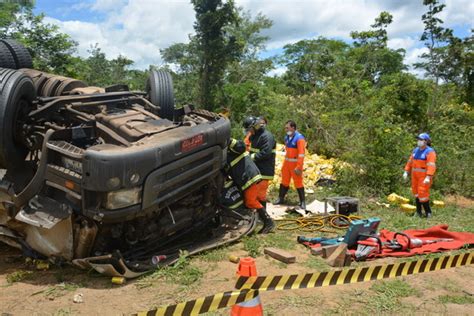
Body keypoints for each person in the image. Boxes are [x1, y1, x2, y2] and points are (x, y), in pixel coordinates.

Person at [227, 138, 275, 234]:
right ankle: (255, 221)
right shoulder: (226, 152)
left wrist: (228, 140)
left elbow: (241, 146)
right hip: (247, 177)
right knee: (250, 201)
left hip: (249, 176)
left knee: (251, 202)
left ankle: (268, 222)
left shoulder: (233, 145)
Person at [244, 116, 276, 233]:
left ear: (255, 126)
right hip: (257, 171)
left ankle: (268, 222)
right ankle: (262, 220)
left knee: (252, 198)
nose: (249, 132)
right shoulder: (255, 136)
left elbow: (265, 153)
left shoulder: (267, 136)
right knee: (260, 197)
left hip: (264, 172)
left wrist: (251, 157)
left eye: (250, 129)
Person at [274, 120, 306, 209]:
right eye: (285, 128)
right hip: (287, 163)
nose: (286, 129)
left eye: (287, 128)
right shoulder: (287, 137)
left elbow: (301, 154)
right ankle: (281, 198)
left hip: (295, 164)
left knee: (298, 182)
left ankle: (302, 202)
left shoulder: (300, 139)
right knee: (284, 181)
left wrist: (299, 167)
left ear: (293, 128)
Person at [403, 133, 437, 218]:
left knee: (423, 193)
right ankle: (418, 212)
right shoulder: (415, 150)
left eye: (421, 140)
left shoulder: (430, 152)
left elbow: (431, 165)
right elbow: (410, 162)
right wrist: (406, 171)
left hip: (424, 176)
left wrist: (428, 176)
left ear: (426, 141)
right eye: (418, 139)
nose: (419, 141)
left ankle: (428, 212)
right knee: (416, 193)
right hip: (415, 176)